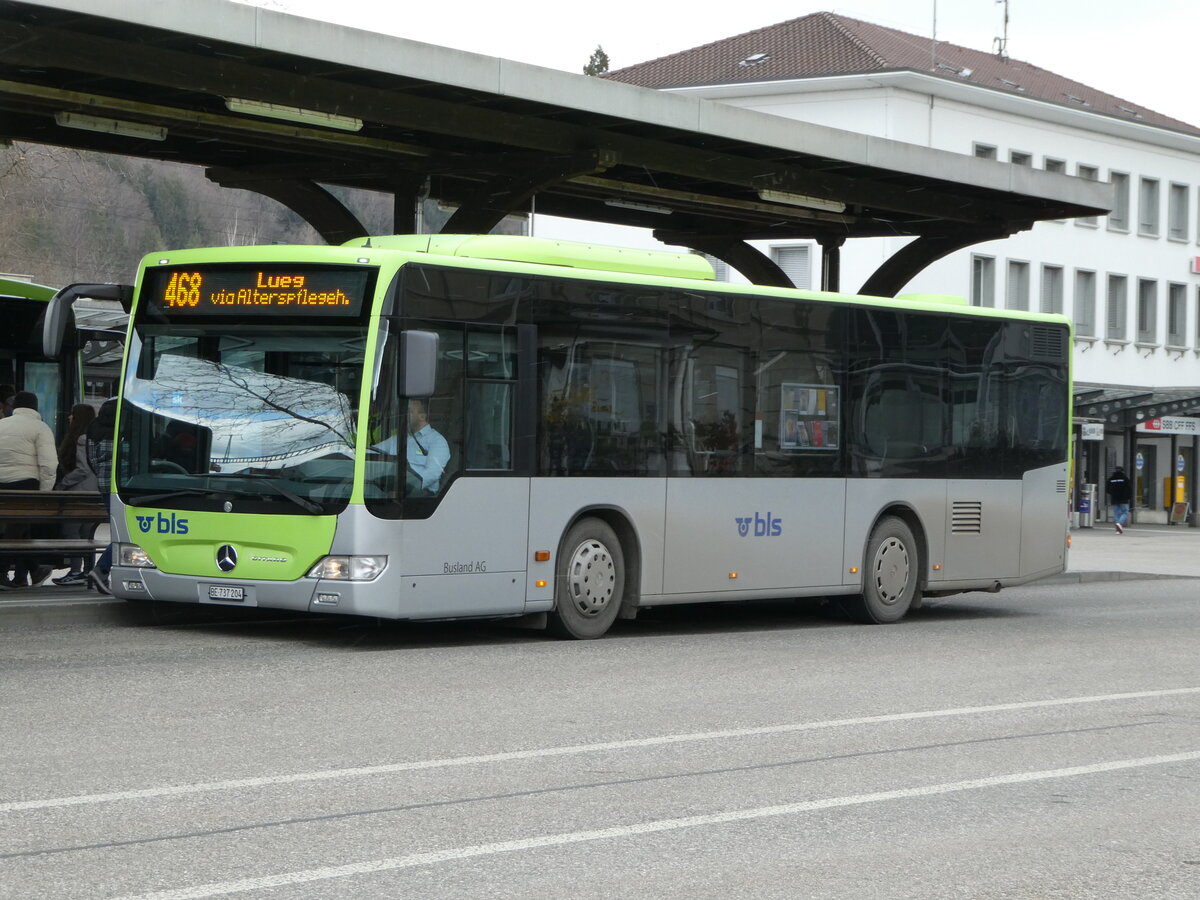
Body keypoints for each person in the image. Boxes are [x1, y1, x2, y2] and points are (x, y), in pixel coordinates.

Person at [0, 391, 57, 588]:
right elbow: (49, 465)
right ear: (35, 407)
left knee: (19, 530)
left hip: (2, 486)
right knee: (17, 530)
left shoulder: (1, 425)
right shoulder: (40, 428)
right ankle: (2, 572)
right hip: (26, 485)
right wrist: (44, 493)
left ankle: (35, 569)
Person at [52, 403, 98, 586]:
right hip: (94, 492)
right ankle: (88, 572)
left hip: (80, 492)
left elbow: (83, 470)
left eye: (72, 414)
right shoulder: (95, 438)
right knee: (87, 534)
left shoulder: (81, 439)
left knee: (70, 531)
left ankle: (76, 571)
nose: (69, 417)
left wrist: (63, 484)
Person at [373, 399, 452, 494]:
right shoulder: (397, 439)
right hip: (393, 489)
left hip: (421, 494)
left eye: (409, 411)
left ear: (422, 416)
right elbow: (372, 451)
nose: (404, 415)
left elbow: (432, 474)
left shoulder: (437, 441)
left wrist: (404, 488)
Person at [85, 399, 118, 594]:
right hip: (121, 486)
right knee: (127, 533)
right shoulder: (122, 429)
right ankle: (102, 568)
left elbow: (91, 460)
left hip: (103, 485)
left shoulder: (93, 429)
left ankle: (102, 570)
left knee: (119, 529)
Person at [1106, 465, 1133, 534]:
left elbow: (1107, 489)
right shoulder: (1125, 478)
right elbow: (1129, 489)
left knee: (1116, 513)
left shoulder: (1111, 479)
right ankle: (1120, 524)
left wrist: (1113, 493)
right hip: (1123, 499)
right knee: (1125, 512)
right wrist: (1129, 497)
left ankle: (1117, 529)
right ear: (1122, 471)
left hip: (1114, 499)